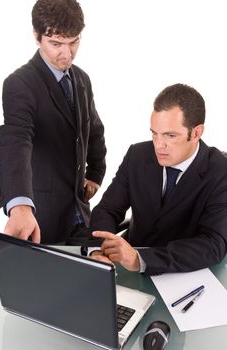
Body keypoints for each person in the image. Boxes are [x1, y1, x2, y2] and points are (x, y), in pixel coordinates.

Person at [0, 0, 106, 244]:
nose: (67, 54)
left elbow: (93, 129)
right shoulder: (20, 83)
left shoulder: (82, 80)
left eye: (73, 42)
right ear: (37, 36)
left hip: (79, 213)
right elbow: (15, 139)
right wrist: (20, 204)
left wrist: (96, 173)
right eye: (56, 44)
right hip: (42, 222)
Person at [89, 83, 227, 275]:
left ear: (196, 133)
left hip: (185, 274)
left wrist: (140, 260)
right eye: (155, 134)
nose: (159, 145)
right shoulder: (137, 155)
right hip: (129, 265)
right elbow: (107, 209)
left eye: (170, 136)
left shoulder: (220, 170)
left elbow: (214, 244)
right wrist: (100, 249)